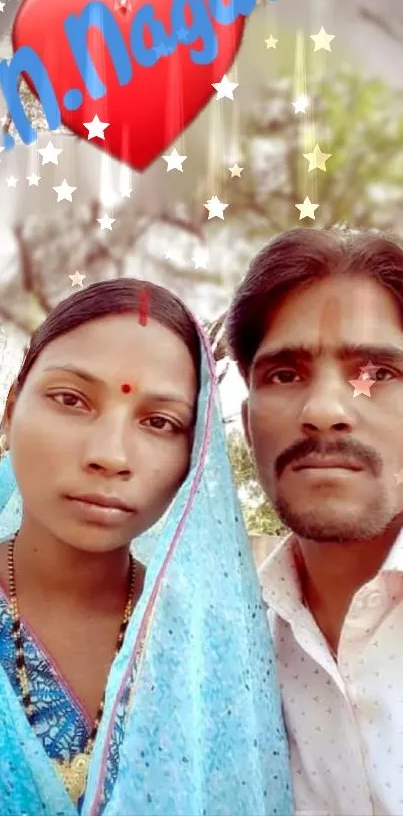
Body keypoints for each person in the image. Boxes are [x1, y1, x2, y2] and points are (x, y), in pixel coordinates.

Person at [0, 277, 293, 816]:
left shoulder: (214, 646)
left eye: (160, 422)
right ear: (10, 410)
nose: (110, 455)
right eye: (71, 399)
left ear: (195, 456)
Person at [226, 226, 403, 816]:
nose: (325, 411)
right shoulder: (223, 644)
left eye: (377, 373)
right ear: (249, 426)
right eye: (284, 374)